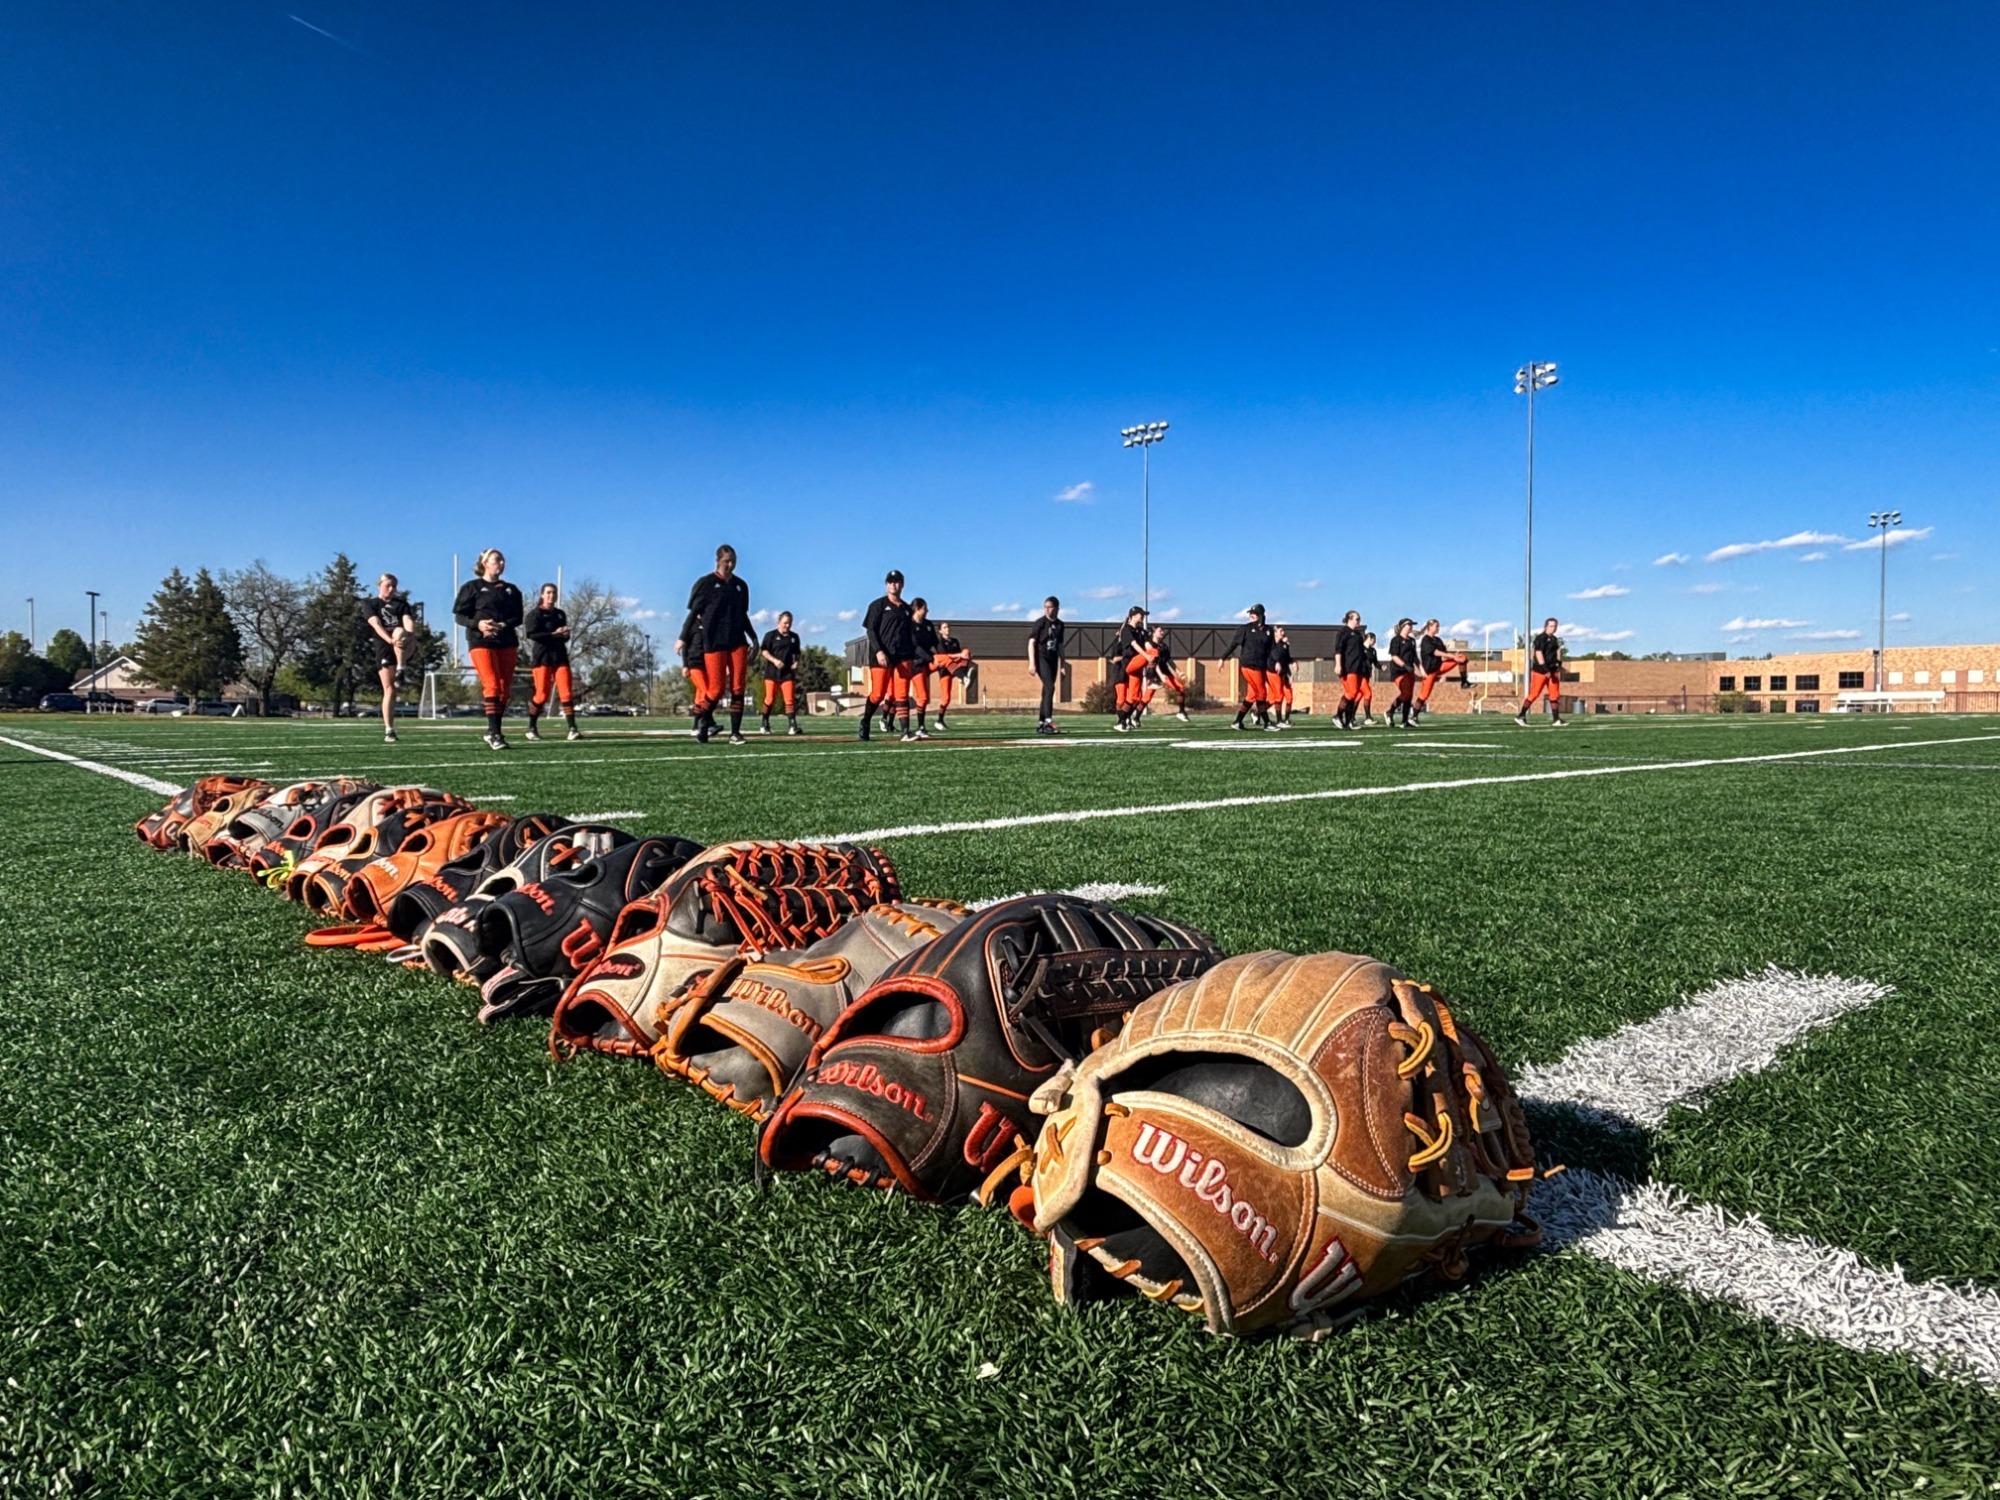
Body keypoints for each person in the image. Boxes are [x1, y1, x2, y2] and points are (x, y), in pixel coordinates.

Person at [679, 544, 756, 745]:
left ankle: (735, 733)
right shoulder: (706, 584)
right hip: (714, 641)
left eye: (733, 562)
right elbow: (693, 614)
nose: (730, 565)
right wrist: (682, 637)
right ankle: (703, 722)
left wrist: (754, 638)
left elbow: (743, 616)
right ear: (718, 561)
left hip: (738, 641)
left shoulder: (741, 586)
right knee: (716, 689)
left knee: (738, 686)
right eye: (726, 561)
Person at [453, 549, 524, 751]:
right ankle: (495, 733)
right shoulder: (471, 587)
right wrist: (479, 624)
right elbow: (459, 616)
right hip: (480, 642)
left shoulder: (511, 590)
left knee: (504, 690)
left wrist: (500, 625)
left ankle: (492, 730)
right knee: (492, 684)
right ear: (484, 563)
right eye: (496, 559)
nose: (500, 563)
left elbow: (517, 617)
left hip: (507, 641)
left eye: (502, 559)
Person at [860, 570, 916, 742]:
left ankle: (905, 731)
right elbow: (871, 630)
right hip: (881, 656)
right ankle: (866, 722)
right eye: (890, 582)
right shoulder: (877, 605)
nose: (894, 585)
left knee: (901, 693)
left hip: (902, 656)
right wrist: (878, 651)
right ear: (886, 585)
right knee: (878, 694)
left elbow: (910, 635)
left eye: (897, 582)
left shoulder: (906, 609)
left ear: (902, 584)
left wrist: (912, 656)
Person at [362, 572, 415, 744]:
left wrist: (408, 635)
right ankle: (389, 729)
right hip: (384, 645)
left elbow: (408, 622)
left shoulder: (402, 604)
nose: (391, 589)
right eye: (388, 586)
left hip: (401, 643)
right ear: (380, 585)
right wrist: (390, 640)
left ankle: (401, 668)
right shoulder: (370, 603)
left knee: (400, 631)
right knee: (389, 689)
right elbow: (376, 625)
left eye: (394, 586)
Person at [523, 583, 580, 742]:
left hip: (560, 656)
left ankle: (572, 728)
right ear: (542, 595)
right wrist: (554, 634)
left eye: (553, 593)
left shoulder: (560, 614)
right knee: (541, 695)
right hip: (542, 657)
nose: (551, 595)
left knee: (566, 692)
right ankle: (531, 728)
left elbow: (564, 637)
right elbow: (533, 635)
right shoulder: (534, 614)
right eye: (548, 592)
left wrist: (565, 634)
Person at [1222, 604, 1275, 730]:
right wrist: (1222, 658)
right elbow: (1233, 644)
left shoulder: (1268, 631)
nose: (1252, 615)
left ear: (1261, 615)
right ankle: (1267, 722)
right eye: (1251, 613)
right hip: (1249, 665)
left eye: (1255, 613)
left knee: (1251, 695)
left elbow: (1271, 650)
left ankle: (1237, 721)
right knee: (1262, 693)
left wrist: (1275, 663)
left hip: (1261, 666)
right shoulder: (1245, 629)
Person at [758, 610, 803, 735]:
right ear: (779, 622)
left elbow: (797, 653)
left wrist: (796, 662)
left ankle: (792, 725)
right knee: (770, 698)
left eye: (789, 623)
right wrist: (774, 660)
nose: (787, 626)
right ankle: (764, 722)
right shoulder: (770, 636)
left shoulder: (794, 637)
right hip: (772, 673)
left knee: (789, 699)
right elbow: (764, 652)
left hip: (787, 673)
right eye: (785, 623)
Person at [1516, 616, 1567, 726]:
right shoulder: (1540, 638)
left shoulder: (1554, 639)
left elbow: (1554, 654)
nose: (1553, 628)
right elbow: (1538, 654)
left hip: (1552, 671)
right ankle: (1521, 715)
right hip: (1541, 671)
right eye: (1551, 626)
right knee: (1534, 693)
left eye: (1555, 626)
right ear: (1546, 626)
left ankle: (1556, 719)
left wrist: (1558, 664)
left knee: (1554, 695)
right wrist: (1545, 668)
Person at [1415, 619, 1468, 721]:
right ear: (1429, 627)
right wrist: (1452, 656)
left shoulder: (1438, 640)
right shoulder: (1426, 640)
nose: (1438, 628)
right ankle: (1414, 716)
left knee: (1462, 657)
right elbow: (1436, 653)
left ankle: (1464, 682)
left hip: (1439, 667)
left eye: (1438, 626)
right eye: (1436, 626)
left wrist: (1455, 657)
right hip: (1429, 671)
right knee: (1424, 695)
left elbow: (1444, 655)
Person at [1027, 596, 1065, 735]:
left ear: (1056, 608)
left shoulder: (1060, 625)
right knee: (1050, 687)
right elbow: (1031, 642)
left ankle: (1041, 723)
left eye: (1050, 607)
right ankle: (1049, 721)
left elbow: (1060, 645)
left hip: (1053, 659)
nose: (1047, 610)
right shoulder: (1040, 623)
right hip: (1041, 658)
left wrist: (1063, 664)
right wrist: (1032, 663)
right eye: (1045, 607)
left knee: (1046, 690)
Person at [1111, 606, 1151, 732]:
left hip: (1136, 665)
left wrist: (1152, 653)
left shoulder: (1141, 632)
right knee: (1122, 698)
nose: (1143, 617)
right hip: (1123, 667)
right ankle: (1121, 721)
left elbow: (1147, 645)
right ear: (1133, 615)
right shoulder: (1126, 631)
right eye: (1141, 614)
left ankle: (1124, 720)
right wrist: (1146, 655)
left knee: (1136, 697)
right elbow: (1115, 657)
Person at [930, 622, 972, 730]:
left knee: (967, 651)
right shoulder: (939, 642)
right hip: (945, 670)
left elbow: (960, 655)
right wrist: (959, 655)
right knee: (946, 698)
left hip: (956, 669)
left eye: (948, 627)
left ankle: (963, 677)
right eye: (945, 627)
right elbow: (945, 657)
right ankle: (939, 720)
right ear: (940, 631)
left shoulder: (954, 641)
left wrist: (964, 655)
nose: (947, 629)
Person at [1332, 609, 1367, 730]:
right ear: (1349, 619)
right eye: (1357, 619)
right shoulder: (1343, 632)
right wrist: (1338, 665)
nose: (1359, 621)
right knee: (1351, 692)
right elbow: (1338, 650)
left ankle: (1349, 720)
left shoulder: (1357, 634)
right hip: (1348, 667)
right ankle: (1338, 715)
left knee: (1355, 694)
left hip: (1358, 668)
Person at [1387, 617, 1420, 728]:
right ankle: (1390, 711)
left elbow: (1415, 657)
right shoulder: (1396, 640)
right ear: (1402, 626)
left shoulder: (1412, 641)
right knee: (1405, 693)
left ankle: (1404, 721)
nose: (1411, 627)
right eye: (1409, 624)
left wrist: (1421, 670)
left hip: (1410, 670)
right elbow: (1394, 656)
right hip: (1399, 671)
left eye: (1412, 625)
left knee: (1409, 696)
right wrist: (1405, 666)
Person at [1270, 626, 1296, 729]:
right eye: (1280, 631)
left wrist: (1293, 662)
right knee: (1277, 696)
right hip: (1273, 672)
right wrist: (1276, 662)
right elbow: (1273, 656)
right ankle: (1279, 720)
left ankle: (1286, 719)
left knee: (1288, 697)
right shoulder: (1271, 644)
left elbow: (1286, 658)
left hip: (1284, 673)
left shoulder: (1284, 645)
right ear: (1275, 633)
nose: (1283, 633)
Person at [1357, 631, 1381, 726]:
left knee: (1358, 696)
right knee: (1368, 693)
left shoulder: (1373, 651)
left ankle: (1350, 717)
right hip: (1360, 675)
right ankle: (1368, 717)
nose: (1374, 642)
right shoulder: (1360, 649)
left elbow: (1375, 662)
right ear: (1370, 638)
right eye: (1373, 640)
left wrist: (1381, 667)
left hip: (1367, 675)